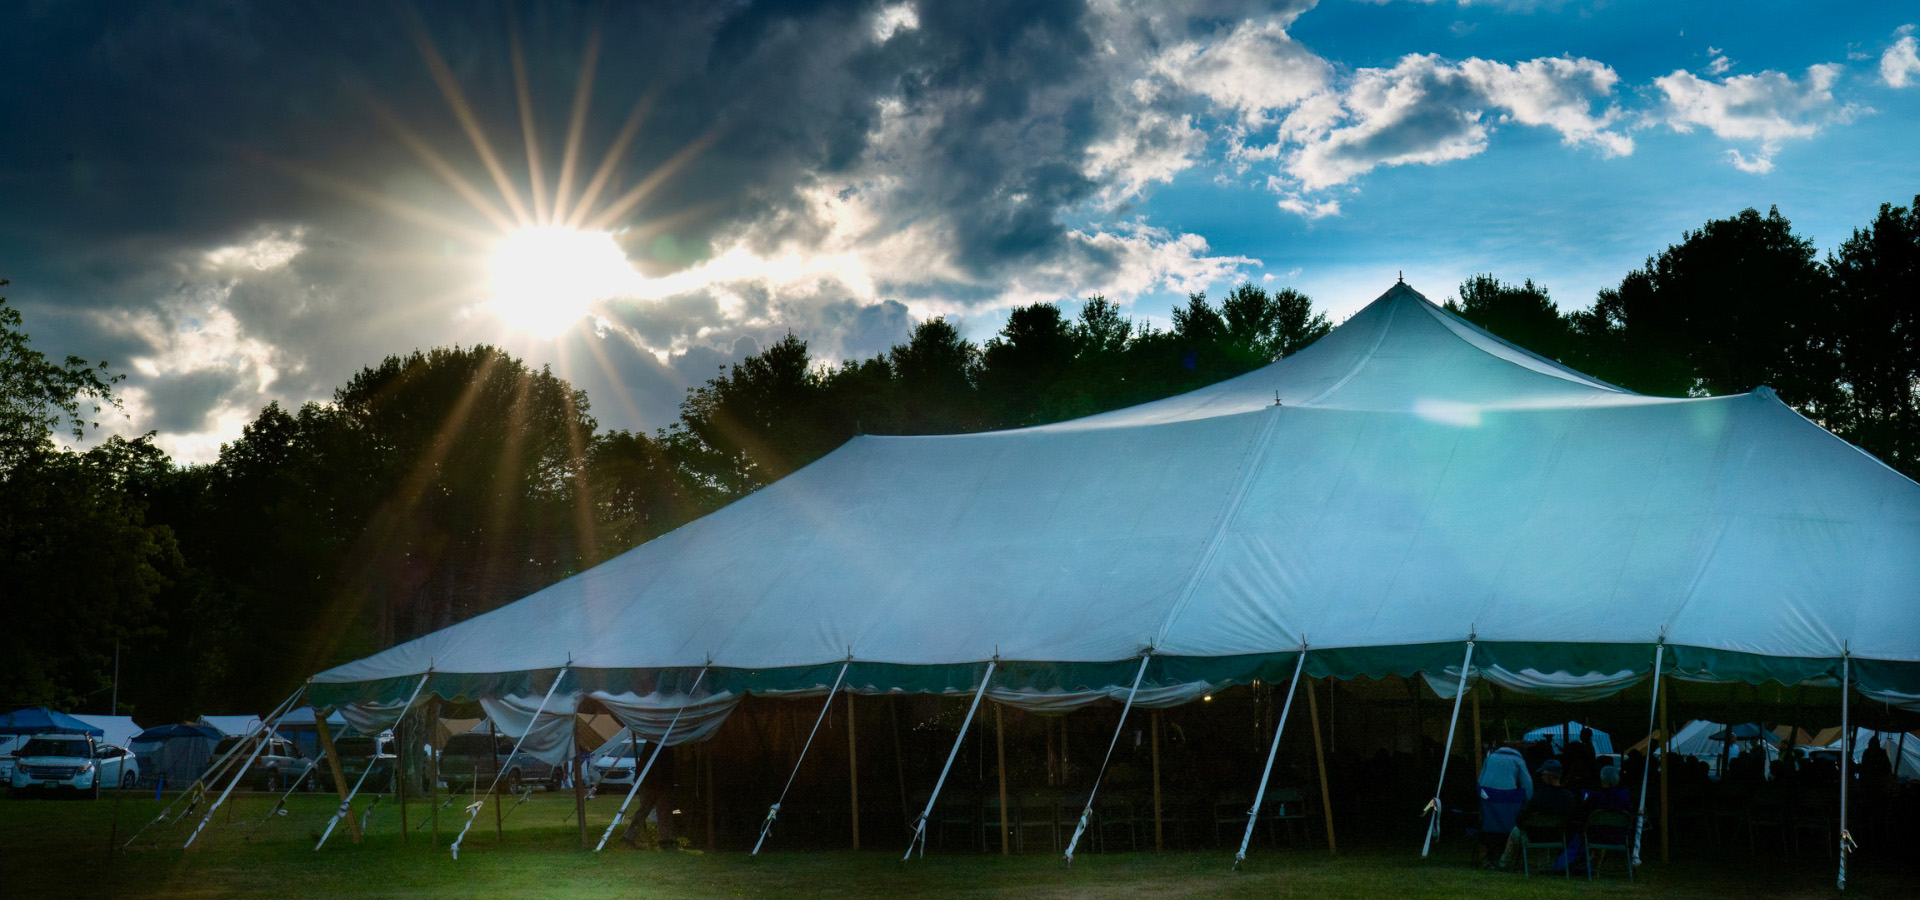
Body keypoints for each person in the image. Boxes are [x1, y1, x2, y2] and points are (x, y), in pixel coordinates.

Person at [1491, 759, 1577, 871]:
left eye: (1543, 775)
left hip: (1535, 836)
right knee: (1545, 830)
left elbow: (1521, 818)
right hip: (1558, 835)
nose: (1541, 777)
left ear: (1549, 776)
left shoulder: (1540, 796)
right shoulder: (1569, 797)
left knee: (1517, 831)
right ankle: (1544, 865)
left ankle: (1504, 864)